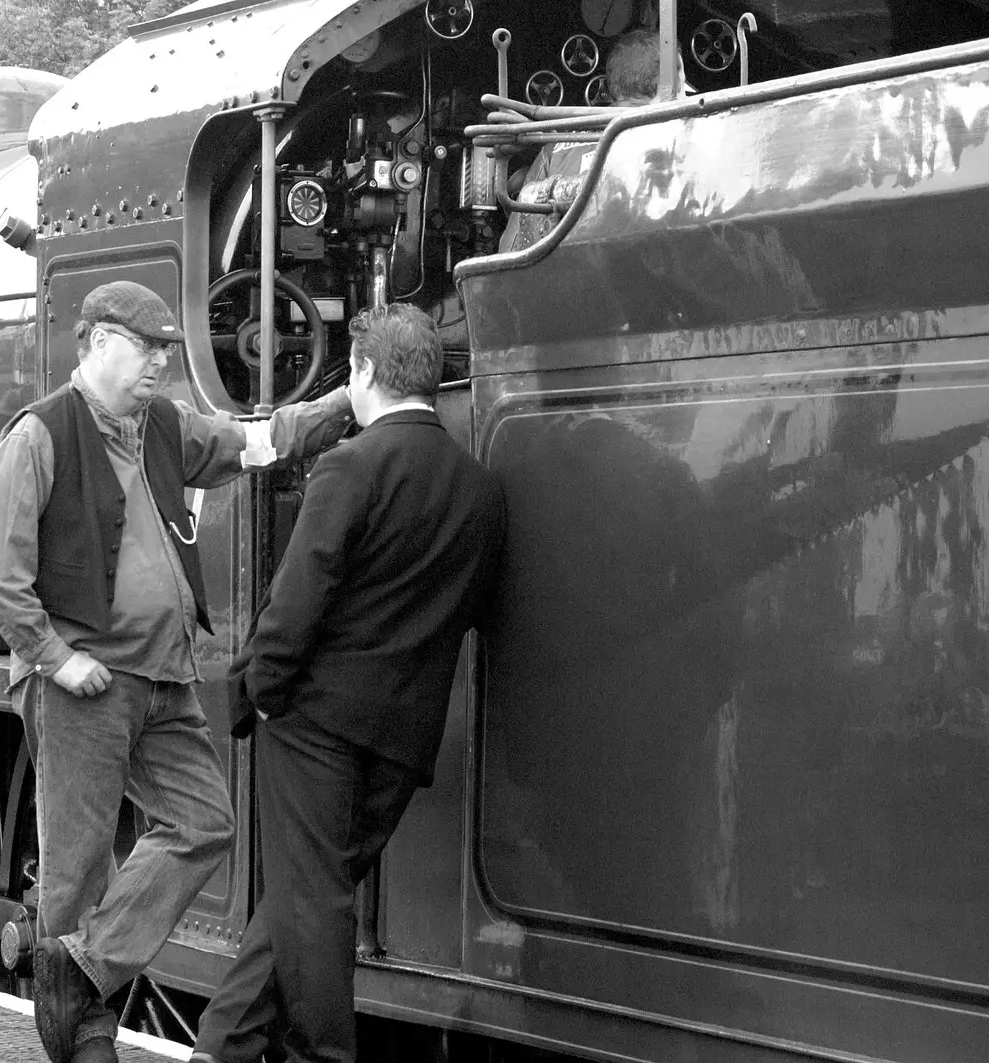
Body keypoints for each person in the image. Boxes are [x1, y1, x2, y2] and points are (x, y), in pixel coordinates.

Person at [0, 280, 354, 1063]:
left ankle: (80, 972)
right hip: (85, 679)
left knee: (205, 822)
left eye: (165, 352)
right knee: (74, 871)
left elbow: (257, 441)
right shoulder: (38, 435)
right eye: (146, 349)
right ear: (97, 342)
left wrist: (347, 403)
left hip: (161, 677)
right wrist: (58, 658)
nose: (159, 364)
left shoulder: (166, 427)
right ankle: (81, 1037)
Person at [189, 304, 505, 1063]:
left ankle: (320, 1054)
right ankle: (219, 1048)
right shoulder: (480, 488)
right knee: (306, 896)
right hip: (402, 737)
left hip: (316, 725)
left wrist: (262, 688)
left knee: (314, 901)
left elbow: (297, 596)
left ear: (363, 373)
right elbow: (471, 607)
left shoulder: (350, 465)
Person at [499, 27, 683, 252]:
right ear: (672, 83)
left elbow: (511, 250)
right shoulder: (681, 144)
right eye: (683, 87)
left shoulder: (554, 148)